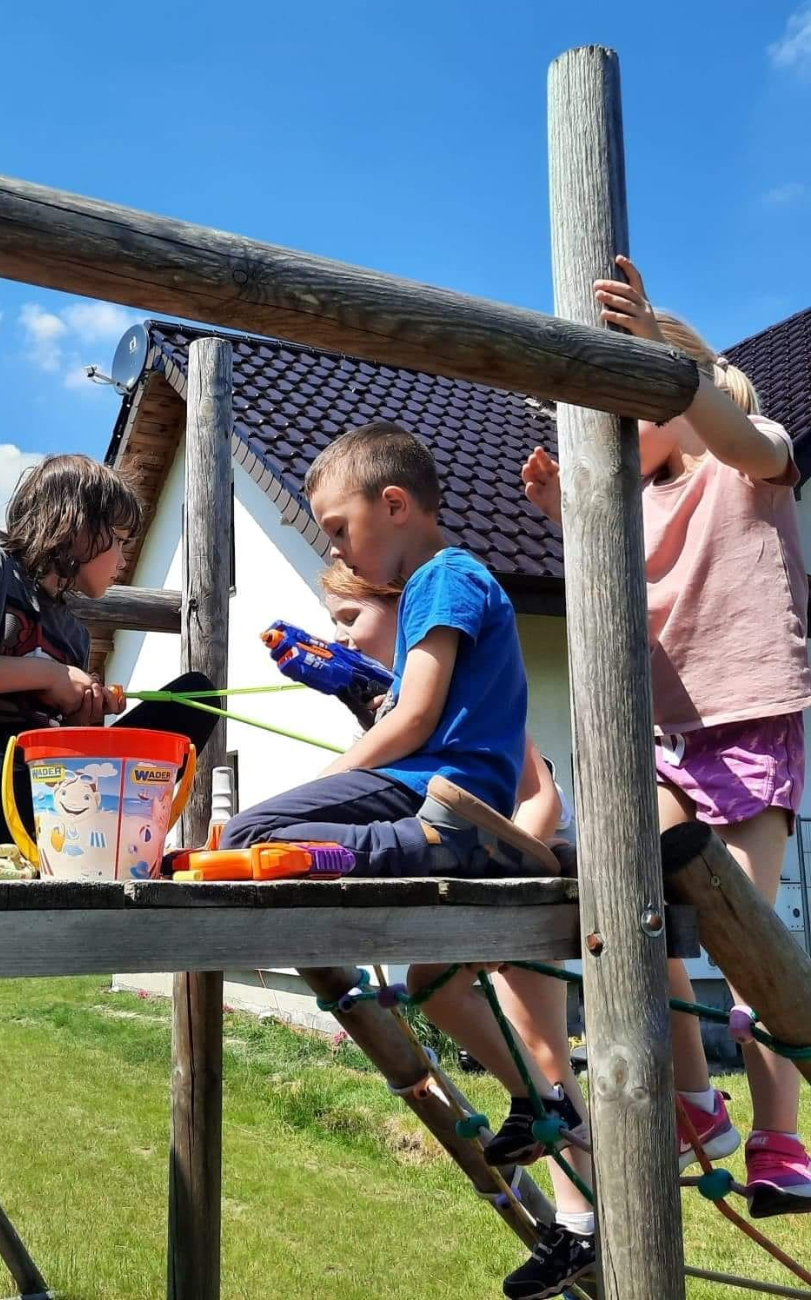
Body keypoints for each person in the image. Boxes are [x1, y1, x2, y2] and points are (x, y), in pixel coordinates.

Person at [522, 255, 811, 1220]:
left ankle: (781, 1139)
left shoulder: (751, 455)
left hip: (750, 723)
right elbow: (615, 596)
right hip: (666, 737)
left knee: (749, 943)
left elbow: (733, 432)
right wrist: (569, 515)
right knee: (633, 904)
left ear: (690, 388)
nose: (622, 429)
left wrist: (663, 360)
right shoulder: (631, 508)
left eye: (638, 405)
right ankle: (695, 1096)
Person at [320, 559, 596, 1297]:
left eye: (350, 618)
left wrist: (513, 868)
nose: (339, 634)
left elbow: (537, 790)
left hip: (524, 880)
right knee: (432, 986)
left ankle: (583, 1224)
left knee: (543, 1047)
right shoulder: (405, 699)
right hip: (487, 878)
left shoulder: (465, 693)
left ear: (396, 607)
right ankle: (542, 1122)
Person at [221, 422, 529, 877]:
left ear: (394, 504)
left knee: (251, 834)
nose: (336, 551)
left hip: (443, 788)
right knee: (260, 838)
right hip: (450, 786)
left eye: (339, 530)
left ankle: (448, 840)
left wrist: (337, 774)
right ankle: (448, 840)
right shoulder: (450, 578)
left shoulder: (439, 577)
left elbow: (417, 718)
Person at [0, 453, 218, 847]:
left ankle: (113, 822)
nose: (124, 559)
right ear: (78, 528)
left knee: (195, 696)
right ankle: (114, 823)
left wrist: (86, 713)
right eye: (121, 542)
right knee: (57, 802)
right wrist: (51, 675)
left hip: (59, 788)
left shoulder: (73, 631)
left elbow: (74, 746)